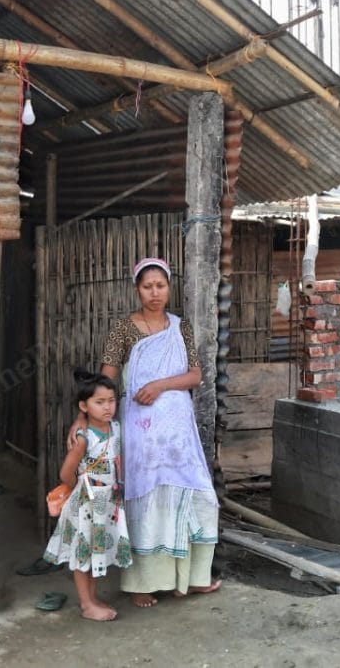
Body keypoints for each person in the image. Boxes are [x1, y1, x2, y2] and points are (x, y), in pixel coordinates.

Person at [71, 256, 222, 609]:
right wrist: (81, 419)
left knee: (192, 492)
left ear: (169, 288)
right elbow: (105, 380)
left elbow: (194, 375)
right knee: (145, 499)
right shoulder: (124, 328)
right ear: (137, 289)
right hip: (142, 432)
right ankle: (142, 583)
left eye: (161, 285)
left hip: (177, 433)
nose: (155, 293)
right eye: (147, 286)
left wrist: (159, 385)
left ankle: (192, 578)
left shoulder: (180, 327)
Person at [43, 369, 132, 622]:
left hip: (108, 501)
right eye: (99, 402)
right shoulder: (83, 437)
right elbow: (65, 473)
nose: (107, 407)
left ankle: (93, 599)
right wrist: (83, 487)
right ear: (84, 406)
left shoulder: (115, 427)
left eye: (111, 401)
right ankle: (86, 604)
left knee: (96, 550)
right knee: (83, 552)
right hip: (87, 502)